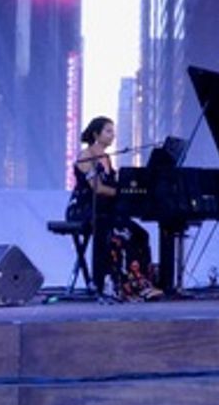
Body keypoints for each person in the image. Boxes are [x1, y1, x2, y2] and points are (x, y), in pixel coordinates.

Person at [66, 116, 159, 300]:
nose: (112, 135)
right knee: (121, 233)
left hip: (105, 210)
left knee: (140, 234)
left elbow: (113, 186)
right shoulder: (86, 156)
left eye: (113, 132)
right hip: (85, 209)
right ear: (96, 134)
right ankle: (118, 285)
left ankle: (141, 282)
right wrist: (121, 192)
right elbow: (97, 188)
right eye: (108, 131)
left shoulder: (106, 158)